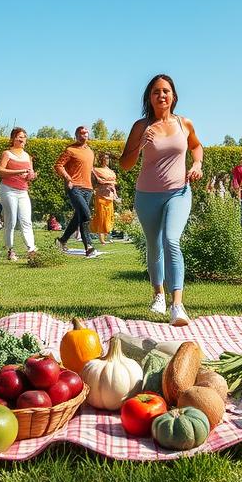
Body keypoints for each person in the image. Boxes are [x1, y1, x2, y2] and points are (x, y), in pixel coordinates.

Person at [121, 74, 204, 325]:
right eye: (156, 92)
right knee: (154, 245)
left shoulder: (184, 123)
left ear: (173, 96)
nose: (162, 95)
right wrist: (139, 147)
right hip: (147, 195)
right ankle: (158, 295)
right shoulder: (141, 126)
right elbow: (125, 164)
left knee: (171, 240)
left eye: (166, 91)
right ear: (150, 97)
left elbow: (196, 147)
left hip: (178, 192)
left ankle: (177, 305)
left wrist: (197, 164)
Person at [54, 126, 100, 258]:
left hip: (88, 189)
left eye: (85, 133)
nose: (83, 136)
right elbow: (58, 165)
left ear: (88, 135)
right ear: (76, 135)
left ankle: (61, 241)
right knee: (85, 214)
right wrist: (68, 178)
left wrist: (97, 181)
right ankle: (89, 247)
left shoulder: (90, 151)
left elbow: (89, 169)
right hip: (74, 187)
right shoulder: (70, 150)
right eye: (80, 134)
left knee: (78, 217)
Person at [0, 127, 38, 260]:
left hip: (23, 191)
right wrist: (18, 172)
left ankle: (31, 249)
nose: (22, 139)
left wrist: (32, 175)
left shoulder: (27, 156)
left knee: (26, 221)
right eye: (19, 136)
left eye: (24, 136)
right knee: (11, 220)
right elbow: (0, 171)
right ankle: (10, 250)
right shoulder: (7, 154)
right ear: (13, 138)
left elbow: (29, 174)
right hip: (8, 190)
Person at [90, 153, 119, 246]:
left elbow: (113, 185)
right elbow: (92, 177)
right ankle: (102, 239)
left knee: (109, 216)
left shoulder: (111, 172)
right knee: (101, 217)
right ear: (100, 159)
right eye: (104, 158)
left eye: (107, 158)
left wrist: (115, 195)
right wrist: (99, 179)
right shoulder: (96, 170)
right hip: (101, 196)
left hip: (109, 197)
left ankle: (106, 236)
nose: (105, 160)